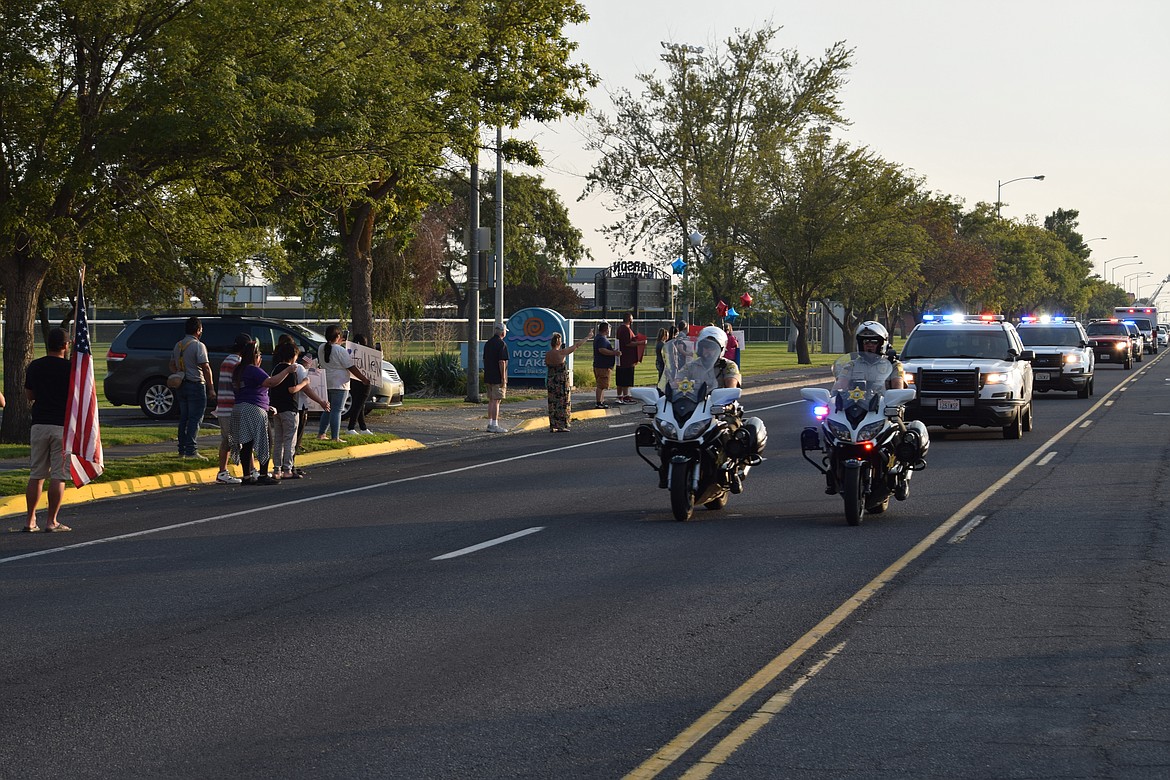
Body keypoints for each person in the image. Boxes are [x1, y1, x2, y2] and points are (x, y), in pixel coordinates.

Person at [22, 327, 72, 532]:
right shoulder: (71, 369)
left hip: (39, 423)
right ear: (65, 345)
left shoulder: (35, 366)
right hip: (62, 425)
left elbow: (29, 395)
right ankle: (51, 521)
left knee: (37, 474)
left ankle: (30, 520)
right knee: (58, 475)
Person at [231, 341, 297, 484]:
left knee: (246, 443)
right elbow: (271, 382)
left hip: (239, 408)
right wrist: (287, 371)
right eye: (259, 355)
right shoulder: (253, 370)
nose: (260, 358)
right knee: (265, 441)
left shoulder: (238, 370)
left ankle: (246, 476)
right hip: (254, 409)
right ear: (255, 356)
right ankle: (262, 475)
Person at [170, 316, 215, 459]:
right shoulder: (198, 346)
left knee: (184, 417)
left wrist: (179, 372)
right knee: (195, 418)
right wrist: (211, 387)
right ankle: (191, 450)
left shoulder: (178, 345)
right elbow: (205, 367)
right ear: (198, 330)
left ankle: (182, 450)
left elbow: (171, 364)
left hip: (182, 384)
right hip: (196, 384)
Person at [212, 332, 254, 485]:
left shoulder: (227, 360)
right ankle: (229, 471)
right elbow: (240, 384)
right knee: (243, 439)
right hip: (233, 407)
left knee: (229, 441)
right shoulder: (237, 363)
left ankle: (226, 471)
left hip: (223, 407)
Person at [316, 325, 370, 442]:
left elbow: (331, 350)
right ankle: (335, 437)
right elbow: (351, 367)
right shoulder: (340, 350)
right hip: (340, 383)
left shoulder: (321, 347)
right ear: (338, 336)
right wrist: (363, 378)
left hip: (327, 381)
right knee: (337, 410)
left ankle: (321, 433)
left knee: (327, 409)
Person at [268, 341, 306, 480]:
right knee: (290, 439)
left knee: (278, 439)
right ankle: (287, 469)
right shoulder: (291, 370)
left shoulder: (277, 368)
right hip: (289, 408)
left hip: (277, 408)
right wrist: (304, 382)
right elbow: (292, 389)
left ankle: (276, 468)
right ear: (293, 356)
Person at [544, 329, 593, 432]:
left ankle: (553, 424)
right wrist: (588, 337)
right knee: (562, 402)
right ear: (559, 342)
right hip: (561, 380)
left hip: (551, 380)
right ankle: (562, 424)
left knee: (552, 402)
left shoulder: (548, 354)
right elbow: (577, 345)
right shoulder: (561, 353)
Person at [837, 321, 905, 390]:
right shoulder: (851, 366)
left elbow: (898, 388)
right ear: (860, 345)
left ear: (882, 344)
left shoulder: (894, 365)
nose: (870, 345)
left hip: (884, 400)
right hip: (856, 400)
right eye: (866, 342)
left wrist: (897, 393)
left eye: (874, 342)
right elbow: (840, 385)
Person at [344, 333, 373, 435]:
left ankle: (363, 427)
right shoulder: (366, 354)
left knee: (359, 404)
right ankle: (351, 427)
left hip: (353, 380)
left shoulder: (349, 352)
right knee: (358, 404)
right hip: (363, 381)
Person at [483, 321, 509, 433]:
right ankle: (495, 424)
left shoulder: (488, 343)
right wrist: (503, 378)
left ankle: (490, 423)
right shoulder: (501, 344)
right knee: (496, 400)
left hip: (488, 374)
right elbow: (502, 362)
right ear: (503, 332)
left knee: (491, 400)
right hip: (497, 376)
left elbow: (484, 359)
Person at [615, 312, 643, 404]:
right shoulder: (626, 329)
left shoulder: (620, 328)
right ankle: (625, 396)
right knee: (626, 378)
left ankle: (620, 396)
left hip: (622, 359)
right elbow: (628, 343)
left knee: (620, 378)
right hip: (627, 359)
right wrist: (640, 343)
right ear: (629, 319)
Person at [592, 321, 620, 409]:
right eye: (609, 329)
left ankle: (601, 401)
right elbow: (602, 350)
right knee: (601, 385)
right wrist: (614, 352)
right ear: (606, 329)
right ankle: (598, 402)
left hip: (600, 365)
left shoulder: (599, 338)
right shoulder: (602, 339)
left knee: (602, 385)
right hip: (602, 366)